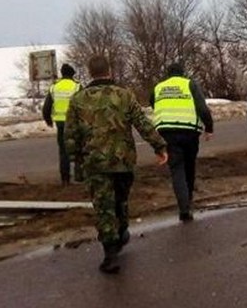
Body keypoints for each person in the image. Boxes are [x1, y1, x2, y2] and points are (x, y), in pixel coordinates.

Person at [65, 55, 168, 274]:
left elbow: (70, 135)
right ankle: (121, 231)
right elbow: (142, 123)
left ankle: (110, 253)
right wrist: (159, 146)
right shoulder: (124, 96)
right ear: (109, 71)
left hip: (95, 164)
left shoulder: (78, 100)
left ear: (90, 72)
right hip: (123, 161)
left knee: (104, 207)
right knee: (120, 200)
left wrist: (76, 160)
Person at [150, 63, 213, 223]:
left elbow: (152, 102)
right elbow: (202, 108)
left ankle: (184, 208)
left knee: (177, 169)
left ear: (168, 74)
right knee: (189, 166)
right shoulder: (189, 84)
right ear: (182, 73)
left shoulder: (159, 87)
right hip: (189, 132)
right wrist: (209, 127)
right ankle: (188, 199)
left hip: (168, 133)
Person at [42, 63, 81, 185]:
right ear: (72, 74)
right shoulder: (77, 87)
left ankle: (65, 179)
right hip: (75, 123)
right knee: (79, 149)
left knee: (63, 151)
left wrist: (48, 120)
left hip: (60, 123)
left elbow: (46, 107)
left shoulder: (54, 87)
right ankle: (79, 176)